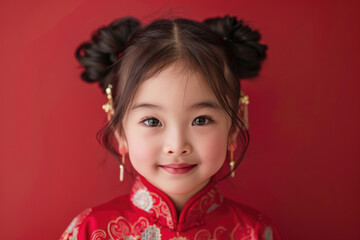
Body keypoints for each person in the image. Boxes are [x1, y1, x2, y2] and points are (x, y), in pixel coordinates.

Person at [60, 15, 281, 240]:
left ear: (234, 125)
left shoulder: (253, 232)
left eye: (201, 120)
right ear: (120, 130)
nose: (177, 146)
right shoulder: (89, 231)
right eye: (152, 121)